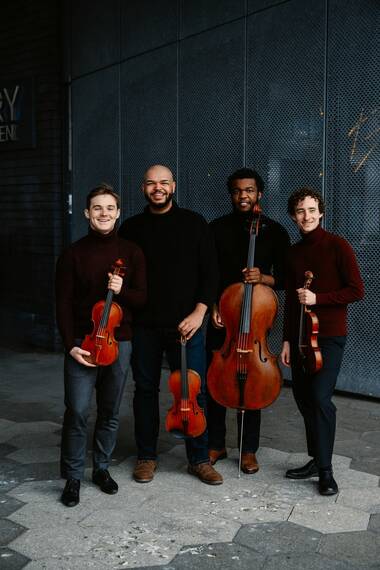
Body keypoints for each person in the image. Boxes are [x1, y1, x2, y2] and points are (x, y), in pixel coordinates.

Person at [118, 164, 223, 485]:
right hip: (145, 327)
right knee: (145, 391)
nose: (158, 188)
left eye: (163, 182)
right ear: (143, 188)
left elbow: (211, 273)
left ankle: (199, 459)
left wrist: (200, 313)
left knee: (195, 393)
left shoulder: (194, 223)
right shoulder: (131, 228)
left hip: (186, 326)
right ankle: (147, 457)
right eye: (151, 183)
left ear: (173, 186)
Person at [56, 184, 146, 507]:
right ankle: (73, 477)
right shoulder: (73, 254)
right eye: (97, 208)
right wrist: (70, 345)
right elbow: (63, 304)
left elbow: (142, 298)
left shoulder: (132, 252)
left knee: (109, 411)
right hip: (82, 342)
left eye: (110, 208)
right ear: (86, 213)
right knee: (77, 411)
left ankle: (102, 468)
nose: (104, 213)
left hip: (119, 343)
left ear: (118, 212)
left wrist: (121, 289)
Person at [280, 187, 364, 495]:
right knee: (303, 399)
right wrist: (287, 341)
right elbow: (291, 301)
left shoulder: (338, 246)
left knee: (319, 398)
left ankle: (326, 473)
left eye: (312, 210)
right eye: (301, 211)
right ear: (293, 216)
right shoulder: (293, 253)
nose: (307, 216)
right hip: (300, 338)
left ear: (321, 213)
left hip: (329, 336)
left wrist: (319, 298)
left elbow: (357, 290)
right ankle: (316, 458)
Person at [206, 168, 290, 473]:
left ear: (260, 194)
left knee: (252, 383)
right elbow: (209, 272)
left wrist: (264, 277)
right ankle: (215, 444)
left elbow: (285, 277)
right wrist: (213, 304)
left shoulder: (276, 231)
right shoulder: (215, 229)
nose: (244, 196)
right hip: (223, 319)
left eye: (250, 190)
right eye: (238, 191)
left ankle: (248, 449)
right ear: (231, 194)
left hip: (254, 318)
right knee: (215, 382)